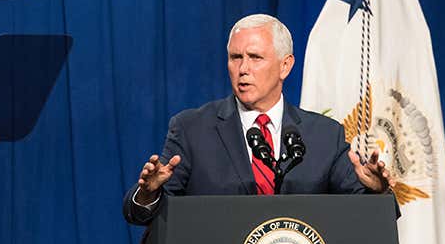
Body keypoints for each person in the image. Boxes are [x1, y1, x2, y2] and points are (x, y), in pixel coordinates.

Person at [122, 14, 392, 226]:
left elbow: (364, 215)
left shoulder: (324, 135)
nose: (243, 69)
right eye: (235, 58)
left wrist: (378, 193)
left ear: (285, 66)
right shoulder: (192, 129)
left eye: (255, 58)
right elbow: (143, 213)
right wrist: (148, 193)